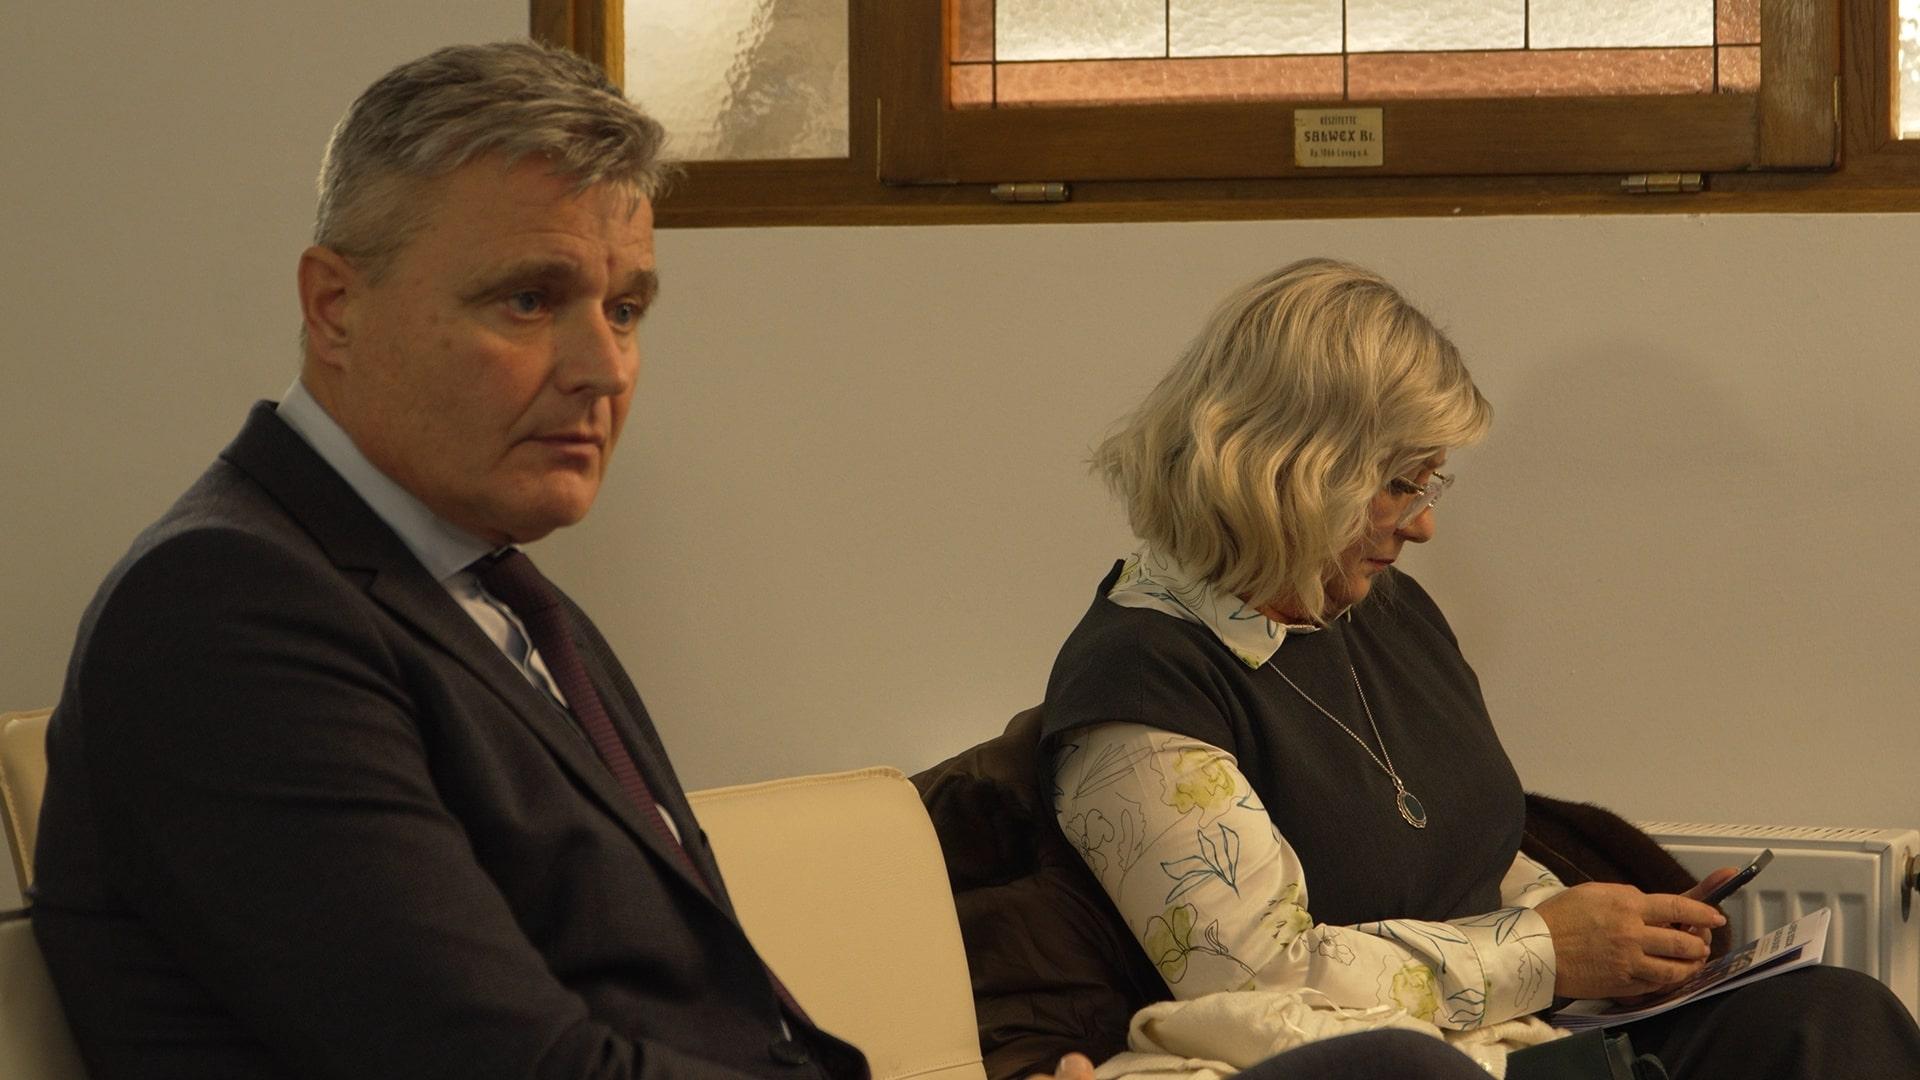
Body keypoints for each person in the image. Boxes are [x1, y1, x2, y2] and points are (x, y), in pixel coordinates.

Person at [25, 40, 1503, 1080]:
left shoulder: (494, 593)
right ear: (334, 307)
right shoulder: (229, 612)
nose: (603, 366)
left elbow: (718, 1006)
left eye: (629, 307)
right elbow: (501, 1061)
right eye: (530, 299)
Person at [1040, 258, 1920, 1078]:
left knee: (1831, 1013)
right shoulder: (1142, 679)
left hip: (1522, 1033)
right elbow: (1256, 981)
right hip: (1399, 1063)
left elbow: (1476, 856)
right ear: (1289, 466)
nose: (1423, 524)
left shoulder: (1385, 611)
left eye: (1431, 484)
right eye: (1400, 484)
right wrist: (1546, 953)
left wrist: (1624, 943)